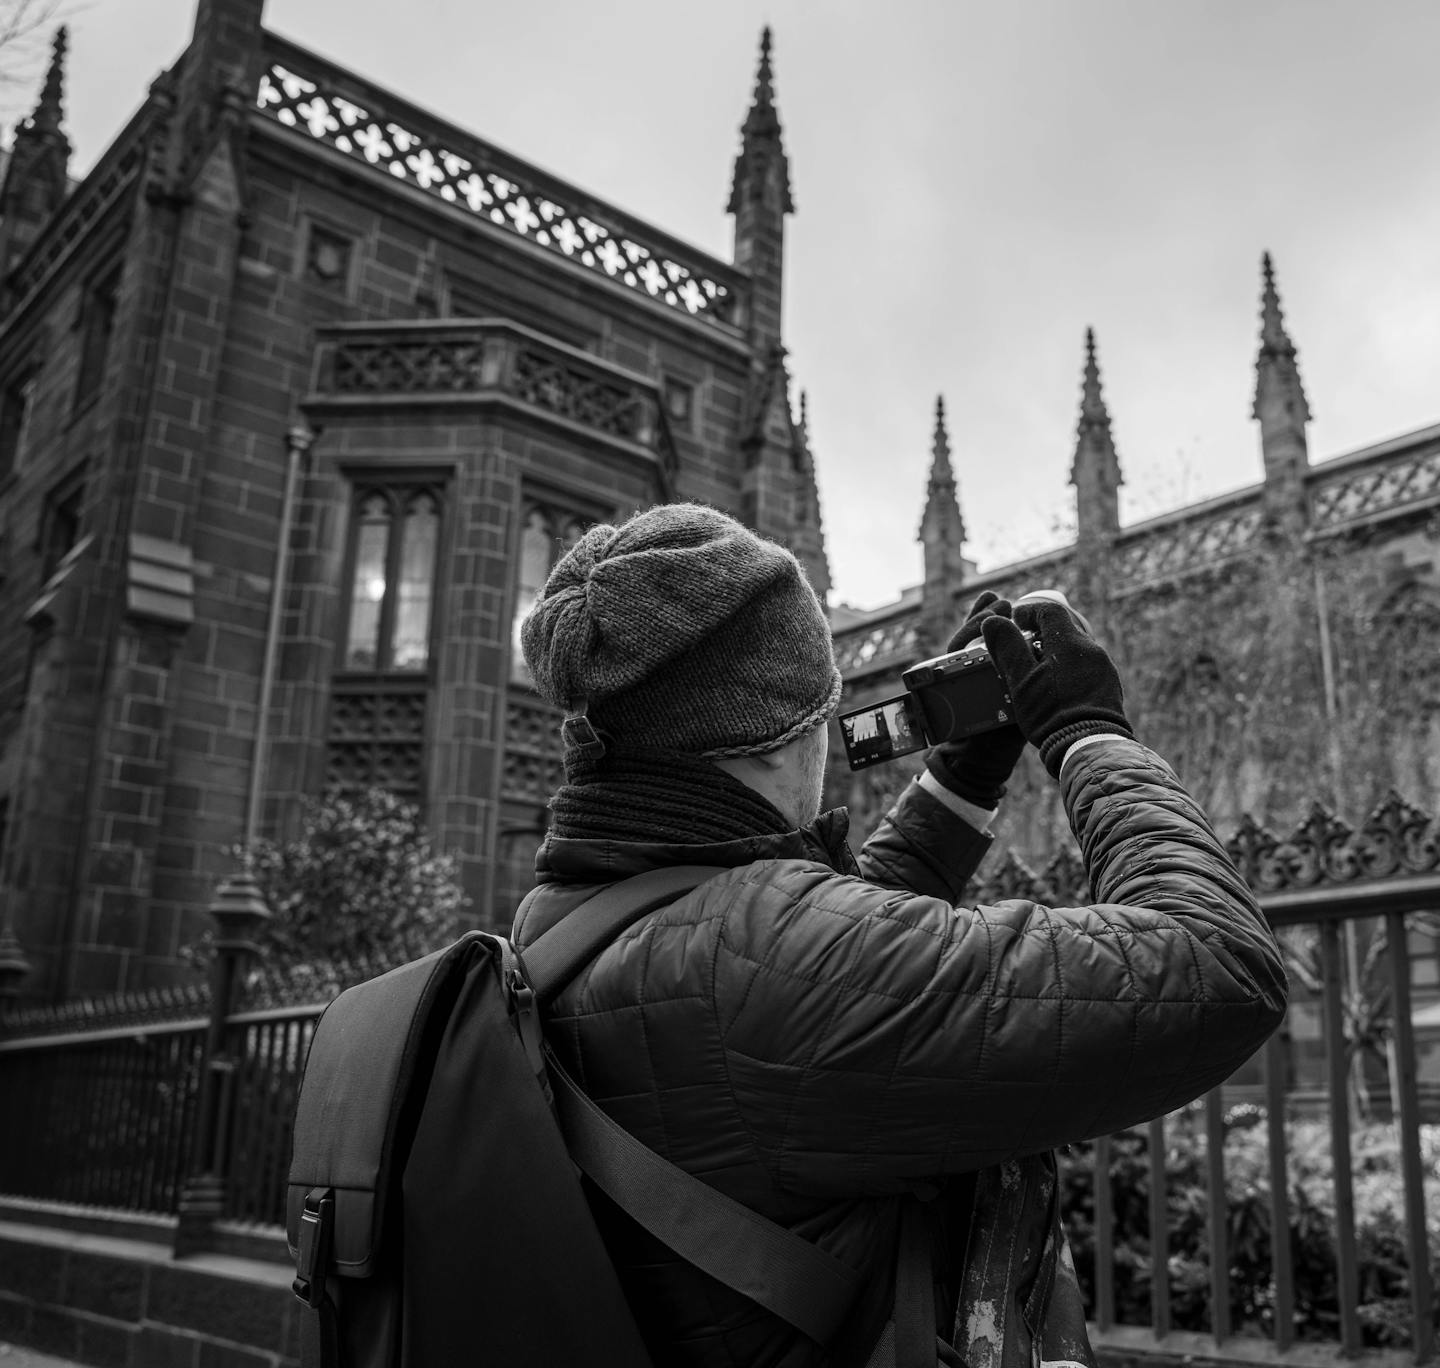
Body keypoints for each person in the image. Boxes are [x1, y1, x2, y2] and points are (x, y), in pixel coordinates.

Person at [513, 503, 1289, 1367]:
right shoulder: (769, 961)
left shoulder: (572, 915)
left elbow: (821, 985)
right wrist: (1087, 733)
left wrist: (959, 776)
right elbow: (1219, 963)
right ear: (779, 739)